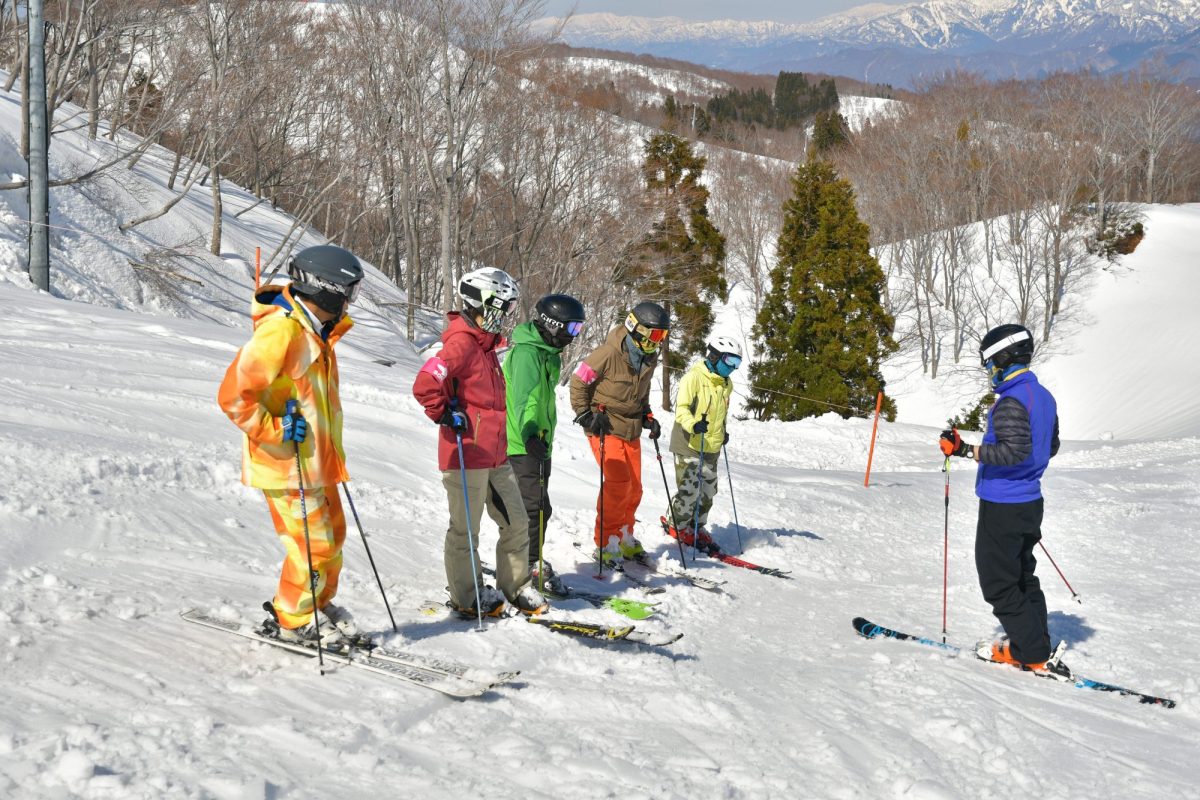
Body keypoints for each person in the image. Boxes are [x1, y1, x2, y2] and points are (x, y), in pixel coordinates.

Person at [217, 244, 364, 645]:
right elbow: (233, 396)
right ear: (325, 289)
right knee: (311, 544)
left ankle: (316, 603)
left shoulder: (318, 332)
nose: (350, 300)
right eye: (348, 291)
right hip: (286, 463)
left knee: (333, 538)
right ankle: (294, 617)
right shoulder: (281, 331)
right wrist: (277, 430)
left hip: (319, 461)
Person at [413, 267, 549, 618]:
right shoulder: (461, 344)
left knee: (516, 522)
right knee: (465, 531)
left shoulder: (485, 345)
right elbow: (426, 382)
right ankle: (467, 595)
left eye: (509, 308)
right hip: (466, 452)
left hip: (495, 456)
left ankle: (516, 586)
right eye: (502, 307)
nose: (505, 315)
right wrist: (444, 413)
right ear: (482, 304)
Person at [939, 323, 1065, 674]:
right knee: (1022, 575)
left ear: (1003, 359)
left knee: (998, 583)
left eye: (990, 363)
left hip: (1004, 505)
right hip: (1029, 502)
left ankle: (1030, 652)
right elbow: (1050, 446)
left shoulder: (1011, 401)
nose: (990, 371)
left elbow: (1012, 452)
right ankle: (1036, 642)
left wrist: (964, 450)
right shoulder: (1042, 396)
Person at [569, 301, 669, 564]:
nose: (658, 341)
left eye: (662, 336)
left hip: (631, 427)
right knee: (618, 483)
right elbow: (578, 380)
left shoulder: (648, 358)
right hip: (604, 426)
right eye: (655, 334)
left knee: (634, 487)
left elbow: (642, 391)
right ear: (637, 329)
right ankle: (606, 541)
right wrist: (585, 414)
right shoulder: (608, 353)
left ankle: (624, 535)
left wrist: (647, 415)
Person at [502, 294, 587, 595]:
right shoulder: (527, 354)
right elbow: (522, 400)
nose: (574, 335)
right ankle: (526, 566)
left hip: (539, 443)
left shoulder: (548, 353)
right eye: (572, 328)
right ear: (552, 324)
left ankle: (530, 559)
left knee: (540, 507)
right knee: (533, 508)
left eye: (578, 329)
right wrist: (528, 434)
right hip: (523, 444)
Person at [664, 334, 741, 548]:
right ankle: (677, 525)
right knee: (690, 490)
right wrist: (693, 424)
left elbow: (721, 412)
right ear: (715, 356)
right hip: (688, 441)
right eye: (730, 360)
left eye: (737, 363)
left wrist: (722, 431)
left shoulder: (727, 384)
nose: (733, 367)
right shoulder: (694, 378)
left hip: (711, 445)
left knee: (708, 491)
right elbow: (681, 409)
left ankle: (696, 526)